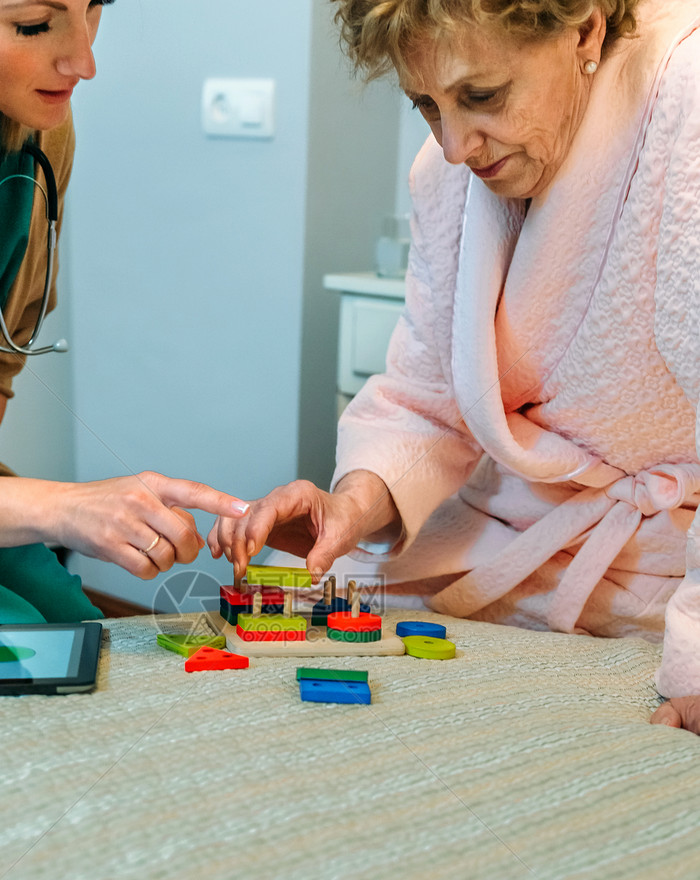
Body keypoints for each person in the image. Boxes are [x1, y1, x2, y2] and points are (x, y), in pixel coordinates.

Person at [209, 0, 700, 734]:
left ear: (587, 31)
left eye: (481, 97)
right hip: (499, 540)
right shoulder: (444, 181)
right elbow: (426, 397)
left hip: (655, 572)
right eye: (426, 107)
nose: (453, 146)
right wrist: (355, 502)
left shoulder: (685, 117)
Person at [0, 0, 250, 657]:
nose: (84, 61)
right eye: (33, 24)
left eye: (95, 9)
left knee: (77, 625)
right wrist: (64, 507)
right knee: (11, 642)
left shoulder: (36, 138)